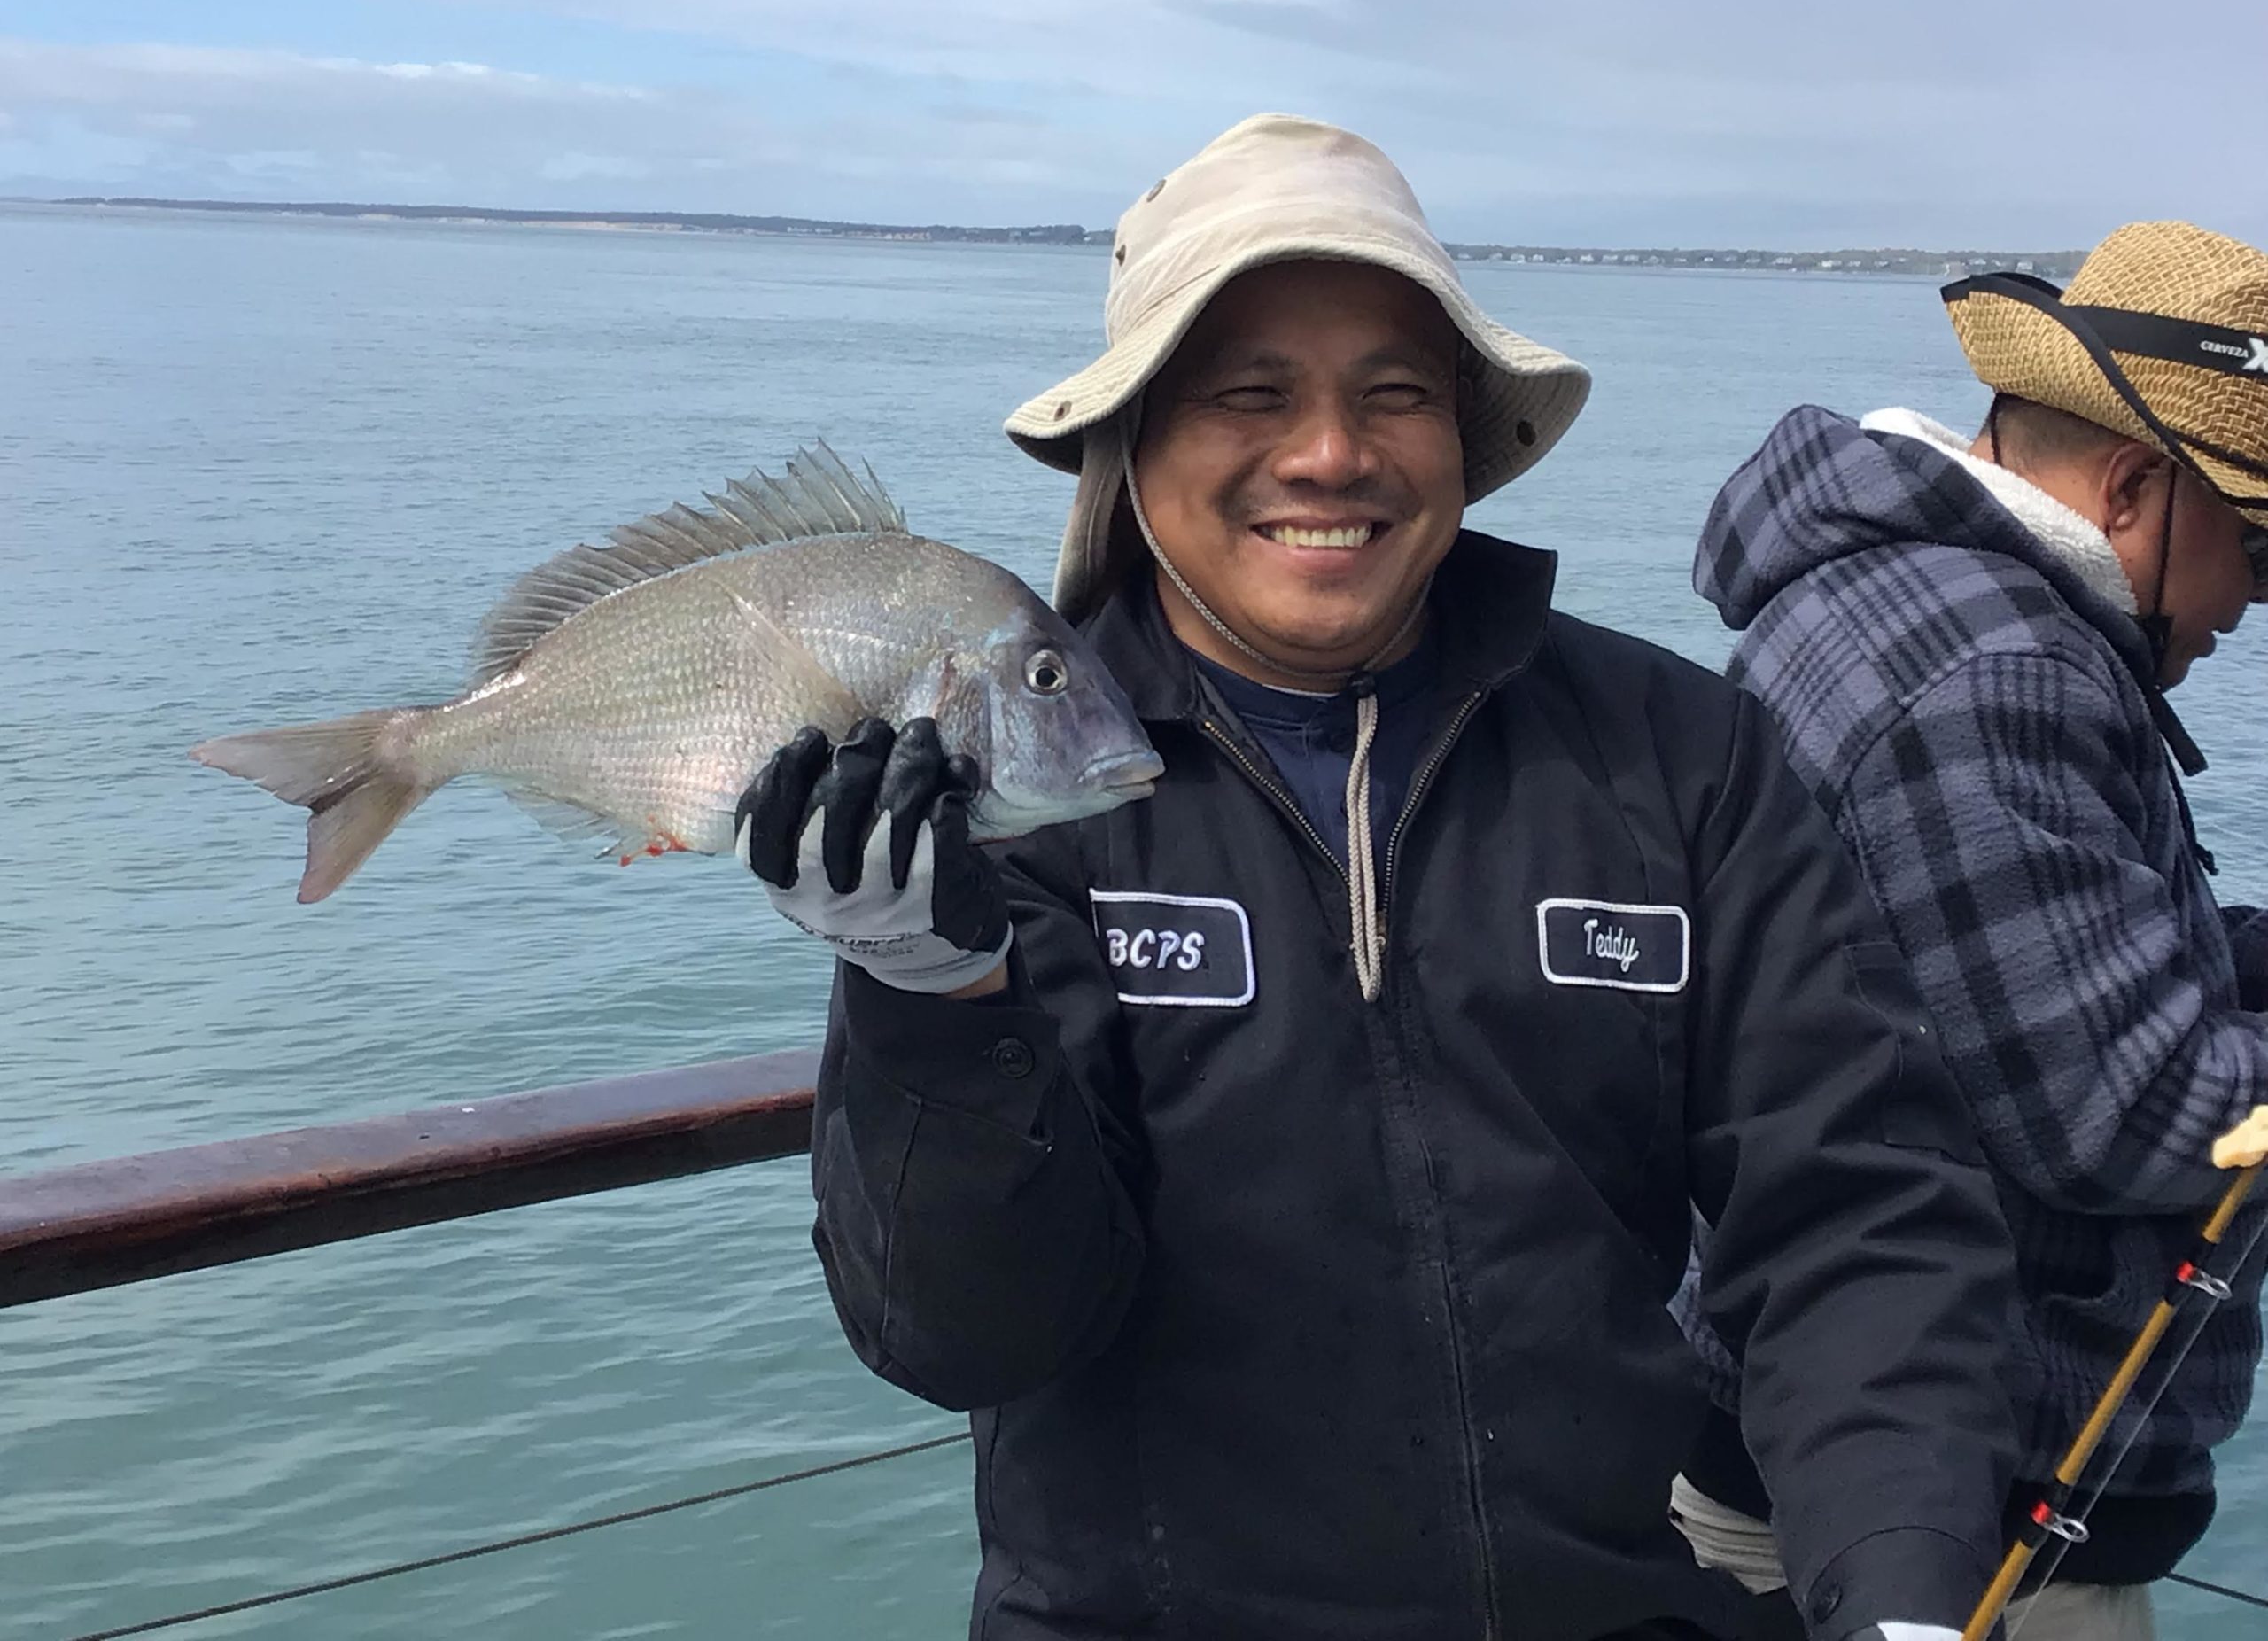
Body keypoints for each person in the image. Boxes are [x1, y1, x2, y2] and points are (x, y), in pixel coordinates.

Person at [740, 113, 2019, 1641]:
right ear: (1131, 442)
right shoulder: (1009, 793)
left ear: (1466, 437)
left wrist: (1902, 1592)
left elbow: (1853, 1212)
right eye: (1248, 394)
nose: (1331, 453)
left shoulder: (1683, 755)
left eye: (1396, 393)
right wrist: (931, 1004)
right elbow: (968, 1335)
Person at [1678, 222, 2268, 1641]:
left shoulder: (1879, 589)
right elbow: (2129, 1112)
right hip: (1968, 1499)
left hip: (1811, 1425)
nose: (2253, 603)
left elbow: (2030, 962)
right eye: (2258, 544)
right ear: (2136, 488)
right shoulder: (1998, 669)